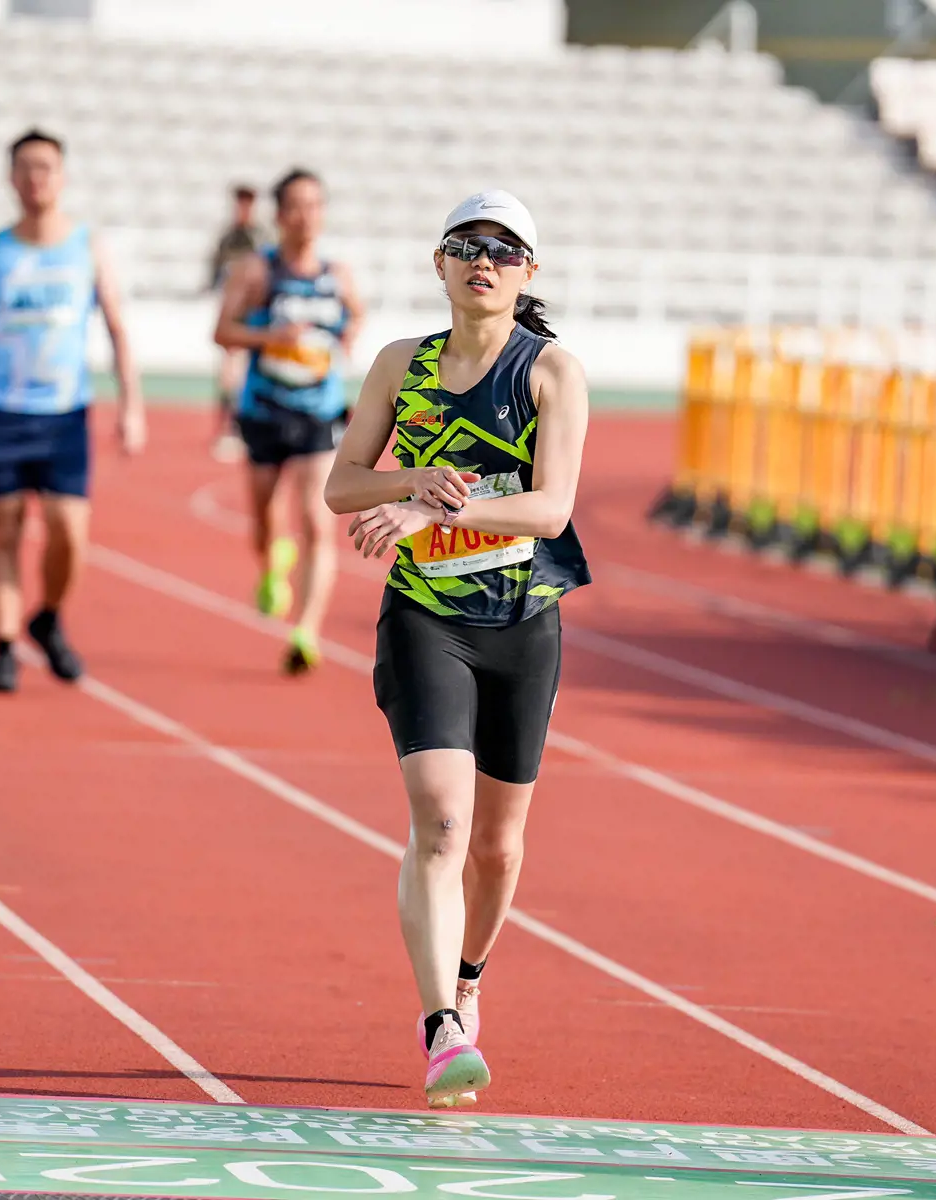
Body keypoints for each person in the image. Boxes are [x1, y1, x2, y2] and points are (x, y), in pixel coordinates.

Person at [323, 190, 592, 1108]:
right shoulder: (402, 364)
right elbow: (340, 486)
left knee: (501, 848)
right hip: (424, 616)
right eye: (468, 246)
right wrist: (405, 481)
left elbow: (552, 508)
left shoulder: (552, 372)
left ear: (529, 274)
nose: (486, 261)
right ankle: (442, 1027)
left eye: (506, 249)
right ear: (438, 264)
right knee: (440, 823)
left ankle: (470, 974)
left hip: (521, 618)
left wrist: (437, 506)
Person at [0, 129, 147, 693]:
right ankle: (3, 646)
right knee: (3, 528)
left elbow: (118, 328)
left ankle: (47, 616)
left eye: (45, 167)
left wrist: (132, 406)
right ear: (10, 177)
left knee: (69, 530)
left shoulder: (88, 246)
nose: (35, 178)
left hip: (64, 413)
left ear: (62, 176)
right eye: (24, 168)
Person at [214, 167, 364, 675]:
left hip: (318, 411)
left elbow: (357, 313)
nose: (307, 216)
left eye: (315, 205)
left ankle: (307, 630)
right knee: (263, 520)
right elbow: (222, 331)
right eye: (296, 206)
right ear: (279, 215)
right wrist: (271, 339)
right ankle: (271, 562)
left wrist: (342, 345)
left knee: (317, 522)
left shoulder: (337, 274)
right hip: (264, 410)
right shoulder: (256, 271)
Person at [207, 185, 267, 462]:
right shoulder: (228, 237)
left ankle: (242, 429)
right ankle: (226, 429)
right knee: (228, 376)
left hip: (253, 319)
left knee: (246, 376)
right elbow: (215, 271)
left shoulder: (261, 238)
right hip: (232, 315)